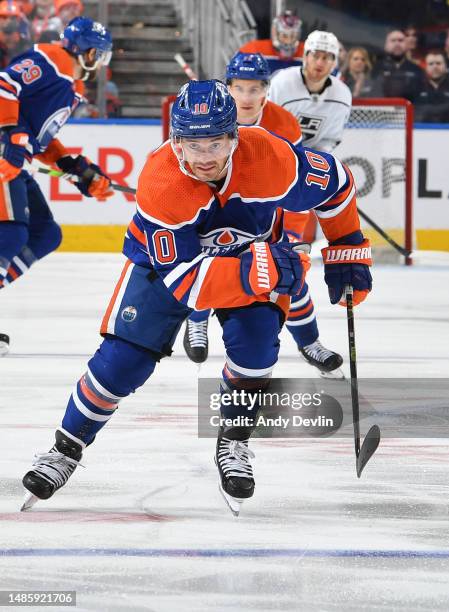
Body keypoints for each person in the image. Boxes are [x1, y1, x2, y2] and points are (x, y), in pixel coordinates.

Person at [21, 79, 373, 515]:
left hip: (247, 253)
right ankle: (66, 447)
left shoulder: (270, 155)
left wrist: (346, 248)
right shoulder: (162, 181)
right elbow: (190, 285)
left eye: (215, 144)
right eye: (192, 144)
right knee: (121, 362)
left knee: (258, 351)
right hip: (166, 266)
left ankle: (234, 441)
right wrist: (261, 269)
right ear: (175, 140)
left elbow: (336, 183)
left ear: (234, 137)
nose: (204, 157)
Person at [184, 52, 343, 378]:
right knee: (203, 271)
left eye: (254, 89)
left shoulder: (283, 124)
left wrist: (296, 236)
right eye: (239, 88)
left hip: (262, 222)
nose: (246, 97)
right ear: (228, 88)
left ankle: (309, 342)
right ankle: (197, 320)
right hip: (212, 217)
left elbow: (292, 188)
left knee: (290, 275)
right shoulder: (207, 117)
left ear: (266, 90)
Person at [0, 16, 114, 355]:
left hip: (15, 156)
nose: (98, 62)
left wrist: (78, 169)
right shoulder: (52, 59)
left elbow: (40, 140)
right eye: (98, 54)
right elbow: (4, 85)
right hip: (3, 154)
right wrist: (11, 135)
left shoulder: (71, 88)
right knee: (11, 234)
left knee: (45, 233)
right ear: (84, 51)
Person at [269, 30, 351, 152]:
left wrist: (312, 159)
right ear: (305, 57)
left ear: (334, 63)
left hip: (311, 159)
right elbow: (266, 123)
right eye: (315, 55)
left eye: (326, 57)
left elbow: (329, 140)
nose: (319, 63)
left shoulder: (342, 95)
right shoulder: (281, 83)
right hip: (276, 151)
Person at [239, 9, 303, 76]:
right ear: (275, 34)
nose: (288, 41)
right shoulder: (253, 50)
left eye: (293, 36)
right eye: (284, 36)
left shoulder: (306, 53)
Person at [371, 29, 424, 102]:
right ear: (386, 45)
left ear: (406, 45)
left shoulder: (416, 70)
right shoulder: (375, 69)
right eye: (393, 40)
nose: (397, 44)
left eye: (400, 40)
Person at [415, 50, 449, 123]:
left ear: (446, 67)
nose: (435, 67)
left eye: (438, 63)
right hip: (421, 131)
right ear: (425, 67)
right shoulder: (415, 86)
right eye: (431, 64)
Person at [0, 0, 31, 67]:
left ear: (18, 19)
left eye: (12, 17)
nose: (8, 21)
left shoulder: (24, 42)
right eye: (4, 17)